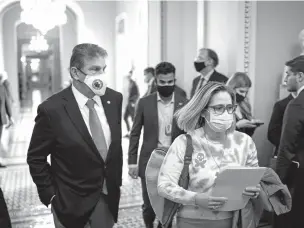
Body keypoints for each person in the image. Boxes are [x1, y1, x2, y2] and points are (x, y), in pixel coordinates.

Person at [27, 43, 123, 228]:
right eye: (94, 69)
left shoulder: (114, 99)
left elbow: (114, 149)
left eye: (103, 69)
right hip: (69, 202)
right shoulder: (51, 109)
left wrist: (115, 182)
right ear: (75, 72)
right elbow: (35, 157)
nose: (101, 75)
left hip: (107, 197)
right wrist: (51, 194)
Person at [158, 82, 261, 228]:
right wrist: (197, 198)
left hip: (231, 221)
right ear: (203, 111)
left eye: (230, 108)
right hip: (191, 221)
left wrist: (254, 190)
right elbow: (164, 185)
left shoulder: (245, 142)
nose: (225, 114)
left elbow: (253, 179)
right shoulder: (184, 142)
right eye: (218, 108)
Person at [128, 62, 187, 228]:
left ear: (174, 79)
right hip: (150, 161)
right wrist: (132, 161)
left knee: (168, 205)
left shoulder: (184, 102)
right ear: (156, 81)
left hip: (174, 162)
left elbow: (189, 134)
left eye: (170, 82)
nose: (166, 85)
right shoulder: (145, 102)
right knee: (149, 206)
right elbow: (135, 133)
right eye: (162, 82)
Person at [276, 56, 304, 228]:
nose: (285, 79)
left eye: (288, 74)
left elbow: (286, 147)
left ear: (300, 77)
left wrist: (277, 181)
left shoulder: (297, 104)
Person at [226, 72, 263, 137]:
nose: (244, 95)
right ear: (231, 88)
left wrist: (251, 126)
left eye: (246, 92)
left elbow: (247, 135)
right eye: (241, 91)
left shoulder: (244, 104)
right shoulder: (220, 105)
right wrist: (237, 126)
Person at [123, 70, 139, 137]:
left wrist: (133, 102)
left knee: (133, 119)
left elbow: (137, 94)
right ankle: (129, 132)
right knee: (125, 117)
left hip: (131, 103)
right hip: (128, 103)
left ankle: (134, 133)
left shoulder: (134, 84)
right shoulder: (128, 84)